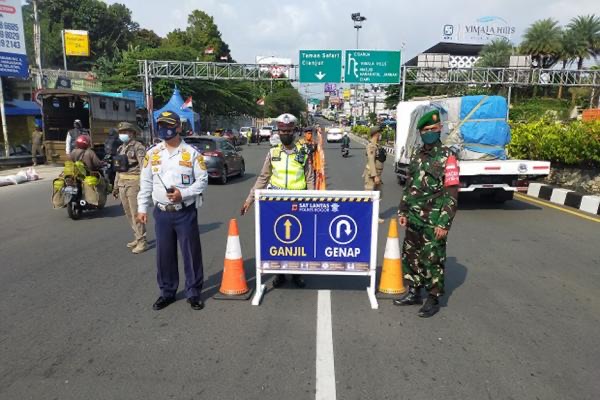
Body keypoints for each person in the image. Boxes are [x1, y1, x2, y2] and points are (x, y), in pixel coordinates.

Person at [136, 110, 208, 311]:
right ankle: (167, 292)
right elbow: (146, 182)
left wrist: (182, 194)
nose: (165, 129)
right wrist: (142, 208)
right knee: (164, 254)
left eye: (169, 125)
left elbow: (202, 182)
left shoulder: (192, 153)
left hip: (184, 211)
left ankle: (194, 292)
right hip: (162, 212)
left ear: (178, 127)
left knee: (191, 253)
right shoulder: (152, 153)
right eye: (161, 125)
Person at [394, 109, 459, 318]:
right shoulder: (416, 154)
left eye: (434, 128)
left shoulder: (448, 156)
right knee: (411, 255)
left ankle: (433, 298)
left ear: (440, 129)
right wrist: (403, 209)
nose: (430, 132)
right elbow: (409, 186)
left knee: (433, 259)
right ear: (421, 132)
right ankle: (413, 291)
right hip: (413, 216)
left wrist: (444, 223)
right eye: (426, 130)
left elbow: (451, 193)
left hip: (434, 218)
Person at [240, 113, 315, 288]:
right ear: (278, 131)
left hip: (299, 202)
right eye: (282, 131)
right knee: (278, 238)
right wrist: (249, 200)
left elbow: (310, 178)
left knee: (298, 239)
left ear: (295, 131)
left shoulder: (303, 152)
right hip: (276, 203)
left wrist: (312, 201)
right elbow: (263, 178)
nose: (285, 134)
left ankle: (297, 273)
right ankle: (280, 272)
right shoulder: (273, 152)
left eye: (288, 131)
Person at [113, 122, 148, 254]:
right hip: (122, 183)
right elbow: (118, 169)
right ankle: (137, 236)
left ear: (132, 133)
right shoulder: (121, 148)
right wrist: (115, 186)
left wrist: (144, 186)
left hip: (134, 183)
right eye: (121, 132)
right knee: (128, 213)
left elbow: (144, 168)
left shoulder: (138, 147)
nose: (123, 134)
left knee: (135, 213)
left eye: (126, 132)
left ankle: (142, 241)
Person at [364, 126, 385, 223]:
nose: (381, 135)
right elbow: (371, 161)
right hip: (372, 175)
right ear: (376, 134)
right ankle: (368, 216)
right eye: (380, 133)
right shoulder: (371, 146)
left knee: (378, 195)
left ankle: (374, 215)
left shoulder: (377, 145)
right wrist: (375, 175)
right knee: (369, 196)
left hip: (378, 174)